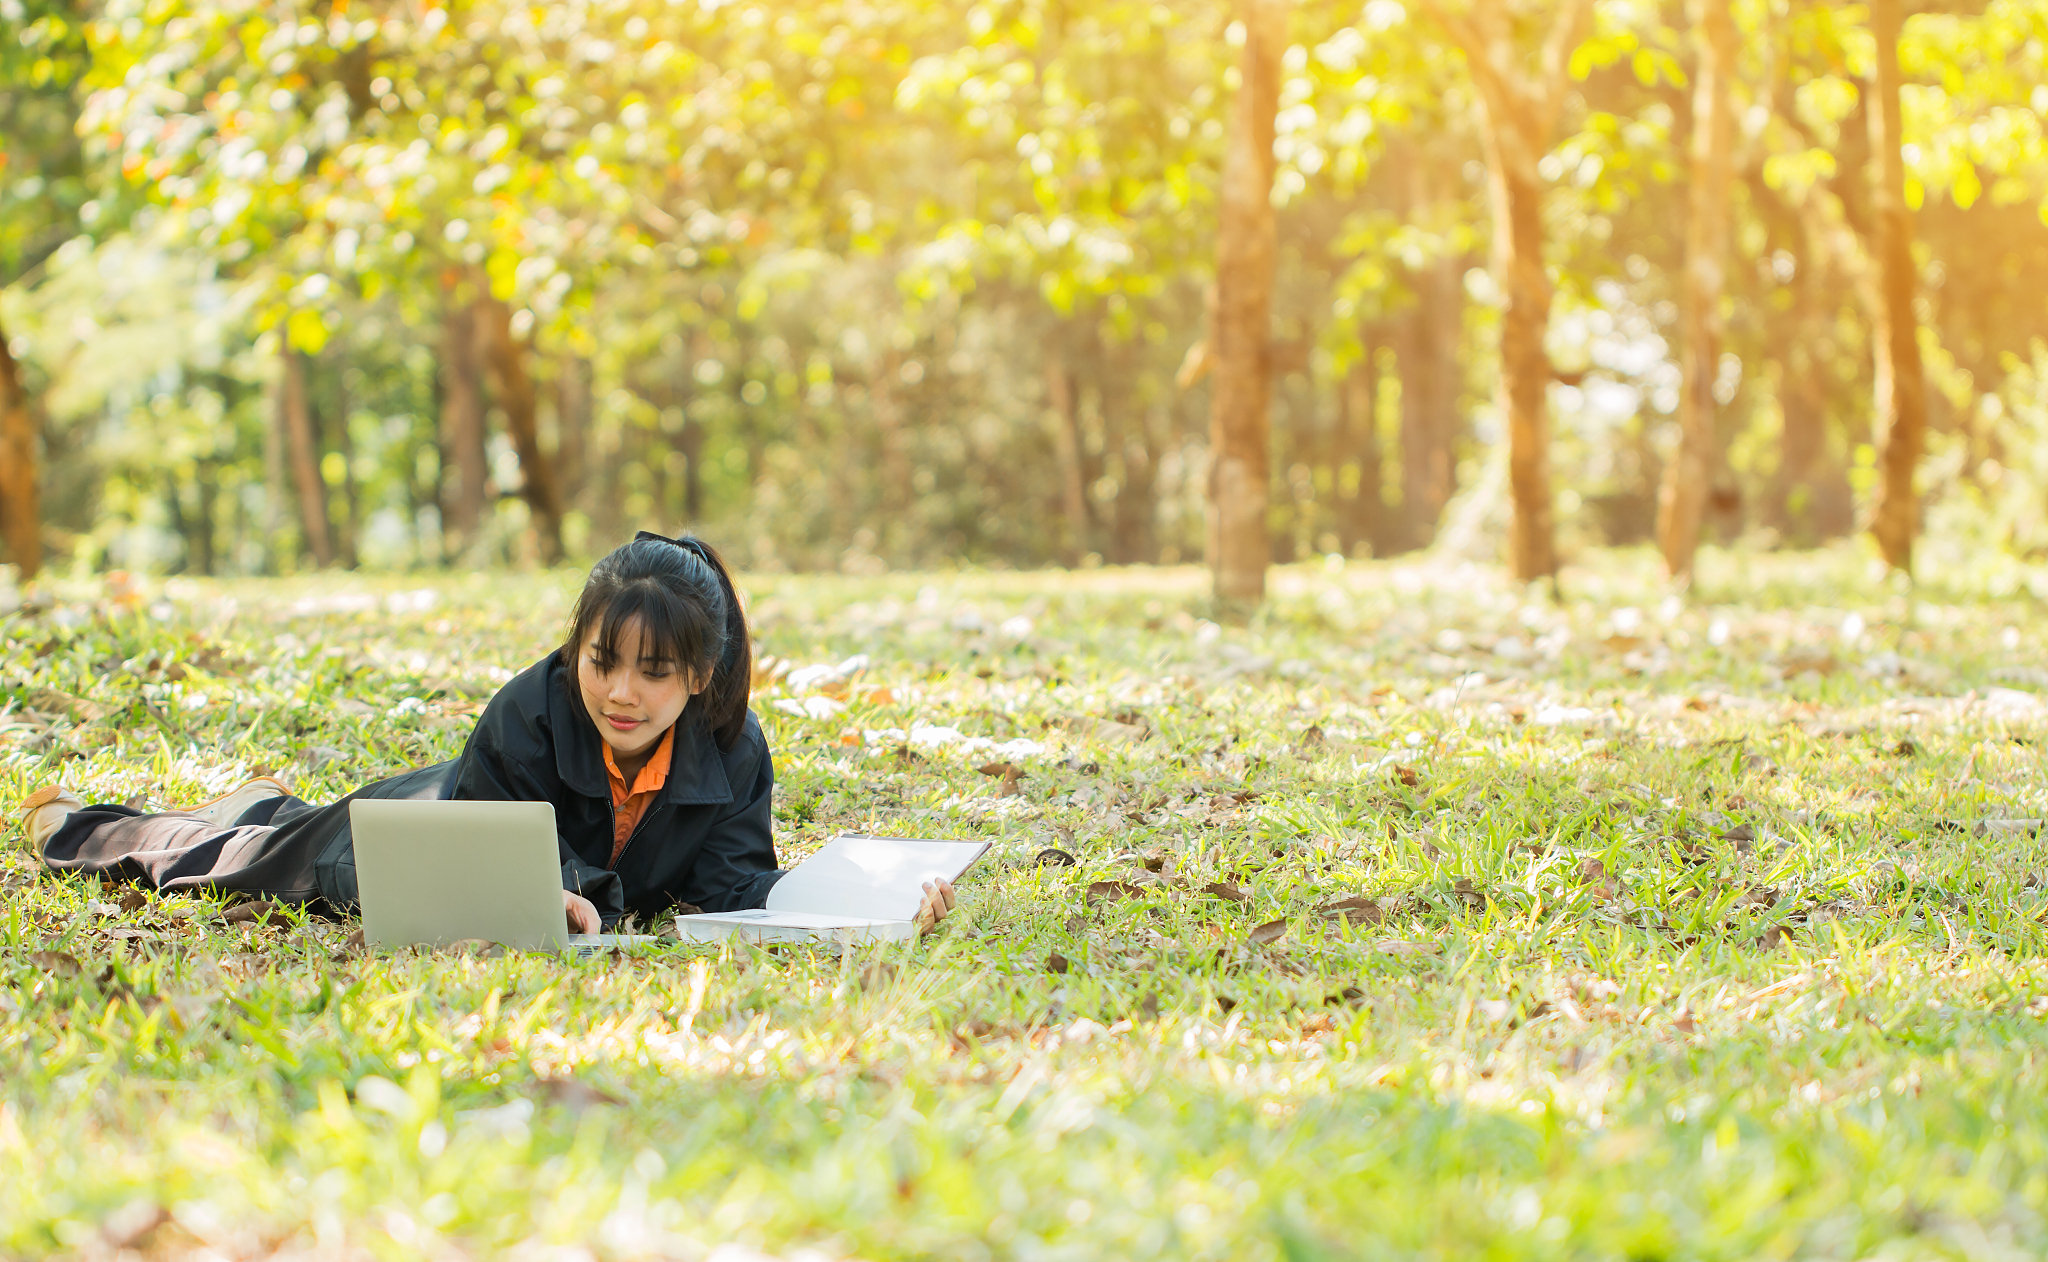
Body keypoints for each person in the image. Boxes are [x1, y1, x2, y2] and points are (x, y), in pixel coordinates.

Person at [16, 533, 957, 935]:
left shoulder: (735, 750)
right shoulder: (526, 712)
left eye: (655, 672)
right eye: (601, 661)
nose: (621, 693)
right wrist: (568, 895)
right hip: (415, 838)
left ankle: (267, 804)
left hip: (446, 823)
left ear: (699, 675)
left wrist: (866, 905)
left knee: (276, 828)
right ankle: (76, 828)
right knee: (249, 861)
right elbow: (487, 862)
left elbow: (735, 887)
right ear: (574, 647)